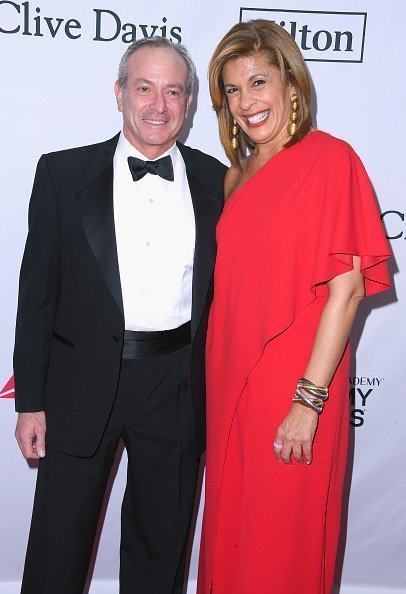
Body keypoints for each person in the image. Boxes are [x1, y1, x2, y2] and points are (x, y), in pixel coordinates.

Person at [13, 36, 226, 594]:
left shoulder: (218, 181)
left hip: (177, 381)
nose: (159, 105)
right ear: (119, 94)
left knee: (162, 547)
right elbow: (36, 296)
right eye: (145, 88)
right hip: (81, 380)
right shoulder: (62, 175)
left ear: (189, 102)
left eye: (173, 91)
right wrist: (31, 402)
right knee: (59, 543)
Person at [198, 19, 391, 594]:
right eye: (232, 90)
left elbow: (347, 291)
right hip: (230, 377)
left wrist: (308, 400)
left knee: (283, 537)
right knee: (232, 525)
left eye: (258, 82)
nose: (245, 103)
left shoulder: (332, 160)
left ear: (291, 84)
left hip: (297, 381)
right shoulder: (235, 176)